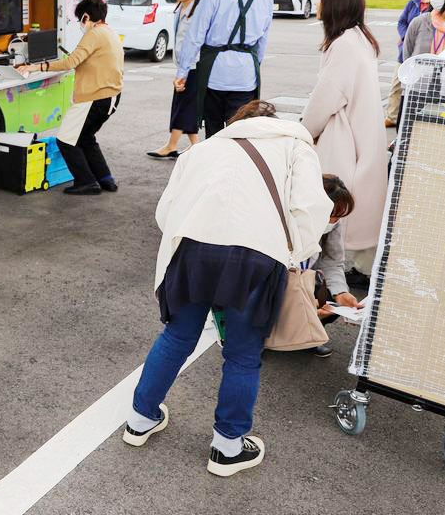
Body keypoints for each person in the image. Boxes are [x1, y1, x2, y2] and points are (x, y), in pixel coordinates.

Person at [122, 100, 331, 477]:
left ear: (237, 123)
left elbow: (165, 212)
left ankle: (139, 420)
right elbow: (309, 209)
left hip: (192, 251)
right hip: (256, 257)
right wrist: (292, 253)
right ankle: (227, 448)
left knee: (176, 337)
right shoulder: (295, 146)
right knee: (242, 354)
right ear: (274, 123)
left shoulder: (203, 149)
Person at [300, 0, 388, 279]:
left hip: (344, 139)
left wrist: (302, 132)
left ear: (334, 3)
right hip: (360, 135)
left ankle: (330, 271)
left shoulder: (344, 45)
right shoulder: (360, 38)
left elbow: (324, 100)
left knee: (332, 205)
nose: (318, 3)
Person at [19, 0, 122, 194]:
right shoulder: (110, 32)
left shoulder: (94, 34)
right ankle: (105, 179)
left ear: (86, 17)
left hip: (94, 98)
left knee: (65, 139)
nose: (80, 24)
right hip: (111, 96)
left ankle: (86, 182)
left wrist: (34, 67)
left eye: (79, 19)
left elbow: (70, 62)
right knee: (85, 137)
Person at [174, 0, 272, 139]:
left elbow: (195, 36)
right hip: (246, 77)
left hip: (216, 74)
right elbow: (262, 42)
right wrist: (252, 64)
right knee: (240, 134)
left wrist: (183, 72)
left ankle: (216, 169)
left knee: (214, 133)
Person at [148, 0, 204, 159]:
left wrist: (184, 72)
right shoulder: (182, 7)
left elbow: (194, 43)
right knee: (186, 105)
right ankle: (195, 145)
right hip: (184, 64)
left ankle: (171, 146)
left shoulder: (198, 12)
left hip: (193, 66)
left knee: (182, 106)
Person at [307, 174, 364, 357]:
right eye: (332, 215)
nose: (335, 221)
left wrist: (341, 293)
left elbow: (333, 261)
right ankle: (262, 338)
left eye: (339, 216)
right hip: (277, 279)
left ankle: (309, 336)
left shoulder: (332, 225)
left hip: (303, 277)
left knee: (332, 297)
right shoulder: (289, 219)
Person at [385, 0, 439, 126]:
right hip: (405, 51)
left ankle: (410, 119)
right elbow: (402, 22)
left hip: (423, 55)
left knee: (415, 89)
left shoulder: (437, 5)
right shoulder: (414, 2)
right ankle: (391, 116)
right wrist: (405, 36)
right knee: (396, 85)